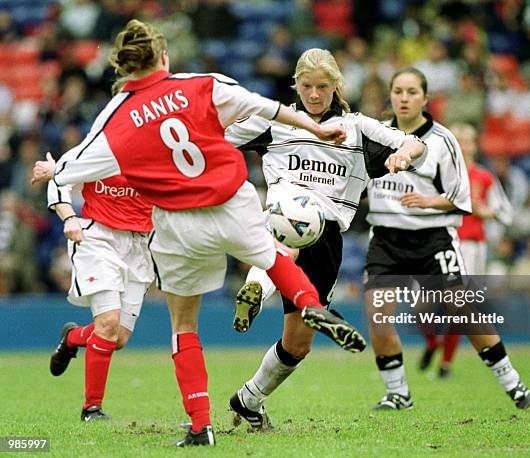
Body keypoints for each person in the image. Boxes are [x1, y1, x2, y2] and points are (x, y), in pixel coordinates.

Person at [31, 20, 415, 447]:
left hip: (180, 219)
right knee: (271, 254)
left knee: (184, 325)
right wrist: (316, 127)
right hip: (233, 200)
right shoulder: (202, 84)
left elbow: (76, 162)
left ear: (122, 70)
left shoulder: (118, 115)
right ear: (164, 58)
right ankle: (309, 302)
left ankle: (202, 425)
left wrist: (54, 171)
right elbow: (262, 106)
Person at [224, 48, 428, 431]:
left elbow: (416, 143)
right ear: (295, 85)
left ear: (336, 86)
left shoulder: (358, 127)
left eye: (322, 86)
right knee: (288, 234)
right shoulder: (275, 120)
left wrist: (402, 154)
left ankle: (249, 400)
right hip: (282, 220)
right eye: (306, 86)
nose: (314, 94)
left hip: (329, 237)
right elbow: (216, 141)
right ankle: (254, 288)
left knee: (298, 345)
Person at [364, 67, 530, 411]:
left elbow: (462, 198)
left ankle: (511, 381)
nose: (404, 97)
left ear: (425, 99)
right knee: (377, 315)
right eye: (398, 91)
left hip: (433, 239)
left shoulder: (443, 141)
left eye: (412, 92)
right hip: (385, 239)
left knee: (463, 311)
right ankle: (399, 393)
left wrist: (427, 201)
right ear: (391, 96)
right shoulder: (376, 136)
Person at [47, 172, 154, 422]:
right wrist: (70, 217)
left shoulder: (159, 148)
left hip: (139, 245)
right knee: (108, 323)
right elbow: (61, 177)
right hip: (97, 238)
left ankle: (72, 338)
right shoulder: (103, 145)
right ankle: (91, 409)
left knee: (118, 338)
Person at [419, 122, 513, 378]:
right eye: (455, 140)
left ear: (474, 145)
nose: (461, 146)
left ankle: (446, 364)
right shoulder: (435, 175)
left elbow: (506, 213)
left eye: (466, 141)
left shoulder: (484, 177)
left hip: (471, 247)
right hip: (438, 245)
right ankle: (431, 344)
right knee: (421, 306)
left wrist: (487, 211)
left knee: (458, 308)